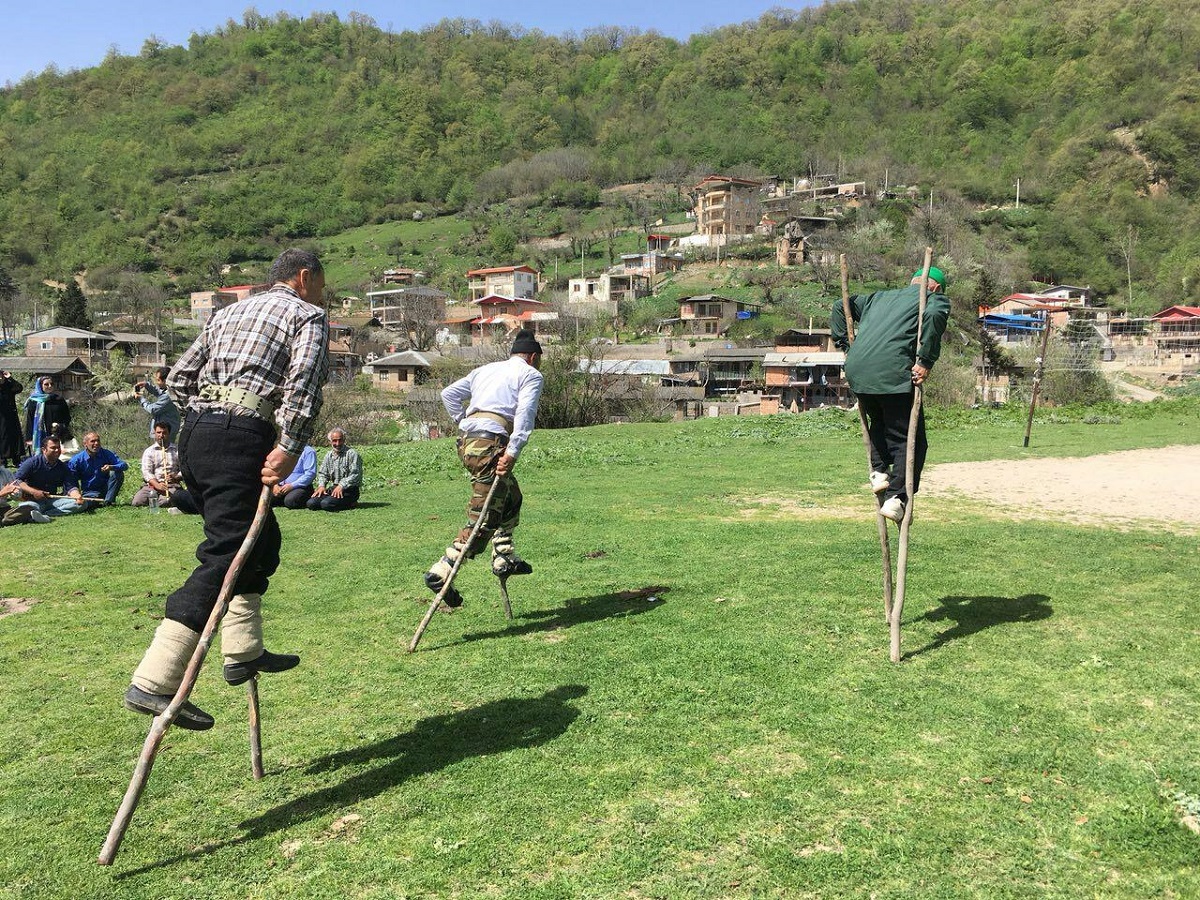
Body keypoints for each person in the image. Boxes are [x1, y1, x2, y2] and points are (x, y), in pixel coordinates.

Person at [123, 248, 329, 731]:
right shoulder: (307, 316)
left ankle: (242, 651)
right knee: (227, 552)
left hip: (196, 436)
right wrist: (289, 446)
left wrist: (208, 414)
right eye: (322, 281)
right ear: (304, 278)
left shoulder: (228, 313)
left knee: (263, 540)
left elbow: (178, 378)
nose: (324, 291)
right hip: (241, 436)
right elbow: (303, 386)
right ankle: (154, 681)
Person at [423, 328, 544, 608]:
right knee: (484, 518)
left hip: (467, 444)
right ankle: (442, 570)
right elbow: (525, 415)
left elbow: (448, 394)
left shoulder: (485, 370)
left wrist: (464, 421)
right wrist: (512, 451)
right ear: (533, 357)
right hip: (491, 446)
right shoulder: (530, 375)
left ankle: (503, 556)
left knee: (511, 497)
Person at [831, 265, 951, 523]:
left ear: (912, 281)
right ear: (936, 287)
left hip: (859, 370)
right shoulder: (932, 298)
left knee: (880, 422)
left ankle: (879, 472)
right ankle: (897, 498)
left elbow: (840, 305)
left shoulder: (878, 297)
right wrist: (925, 361)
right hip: (892, 372)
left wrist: (844, 345)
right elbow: (935, 316)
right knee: (909, 438)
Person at [11, 436, 86, 517]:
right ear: (44, 450)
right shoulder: (32, 463)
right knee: (27, 508)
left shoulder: (63, 467)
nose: (57, 450)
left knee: (82, 504)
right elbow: (17, 480)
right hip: (33, 500)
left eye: (58, 448)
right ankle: (38, 513)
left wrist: (76, 495)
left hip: (52, 501)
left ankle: (47, 514)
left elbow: (70, 486)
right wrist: (34, 492)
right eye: (53, 448)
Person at [131, 422, 197, 514]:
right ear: (154, 433)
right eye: (158, 432)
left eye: (164, 433)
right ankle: (154, 498)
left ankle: (161, 501)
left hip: (171, 485)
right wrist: (157, 485)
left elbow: (185, 469)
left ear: (169, 434)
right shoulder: (149, 451)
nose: (161, 435)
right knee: (137, 502)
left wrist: (176, 477)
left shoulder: (177, 450)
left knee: (164, 502)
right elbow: (147, 472)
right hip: (152, 485)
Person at [67, 431, 128, 506]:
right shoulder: (76, 460)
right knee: (85, 505)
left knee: (118, 472)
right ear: (85, 444)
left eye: (98, 441)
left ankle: (108, 501)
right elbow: (71, 480)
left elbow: (124, 465)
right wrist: (76, 495)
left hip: (107, 489)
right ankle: (95, 502)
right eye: (92, 441)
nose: (96, 443)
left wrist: (112, 467)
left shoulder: (106, 453)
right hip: (90, 492)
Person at [306, 429, 361, 512]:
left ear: (344, 440)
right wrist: (322, 486)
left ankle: (351, 502)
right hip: (334, 488)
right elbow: (323, 474)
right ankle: (333, 500)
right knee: (311, 503)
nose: (337, 444)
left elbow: (355, 475)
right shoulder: (328, 455)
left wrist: (341, 486)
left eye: (340, 440)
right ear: (330, 441)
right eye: (334, 441)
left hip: (349, 490)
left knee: (326, 504)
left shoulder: (352, 454)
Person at [23, 376, 72, 456]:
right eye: (46, 384)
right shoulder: (34, 401)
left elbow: (67, 417)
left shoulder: (59, 399)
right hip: (39, 436)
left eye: (51, 384)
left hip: (57, 434)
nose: (50, 386)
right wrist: (29, 439)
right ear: (40, 386)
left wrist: (61, 427)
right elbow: (30, 420)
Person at [134, 366, 181, 439]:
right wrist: (146, 385)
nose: (156, 382)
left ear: (165, 381)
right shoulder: (170, 389)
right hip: (164, 431)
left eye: (158, 380)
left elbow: (153, 409)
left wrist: (141, 398)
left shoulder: (169, 396)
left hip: (165, 434)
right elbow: (160, 392)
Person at [271, 443, 316, 509]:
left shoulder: (309, 451)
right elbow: (274, 469)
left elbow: (310, 474)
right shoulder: (281, 450)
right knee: (265, 497)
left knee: (290, 501)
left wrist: (292, 486)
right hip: (280, 486)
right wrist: (275, 485)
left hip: (299, 487)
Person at [0, 370, 24, 467]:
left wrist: (10, 378)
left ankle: (16, 460)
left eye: (2, 376)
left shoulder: (9, 386)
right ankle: (3, 461)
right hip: (1, 418)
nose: (1, 378)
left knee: (15, 437)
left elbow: (19, 388)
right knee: (2, 438)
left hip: (11, 417)